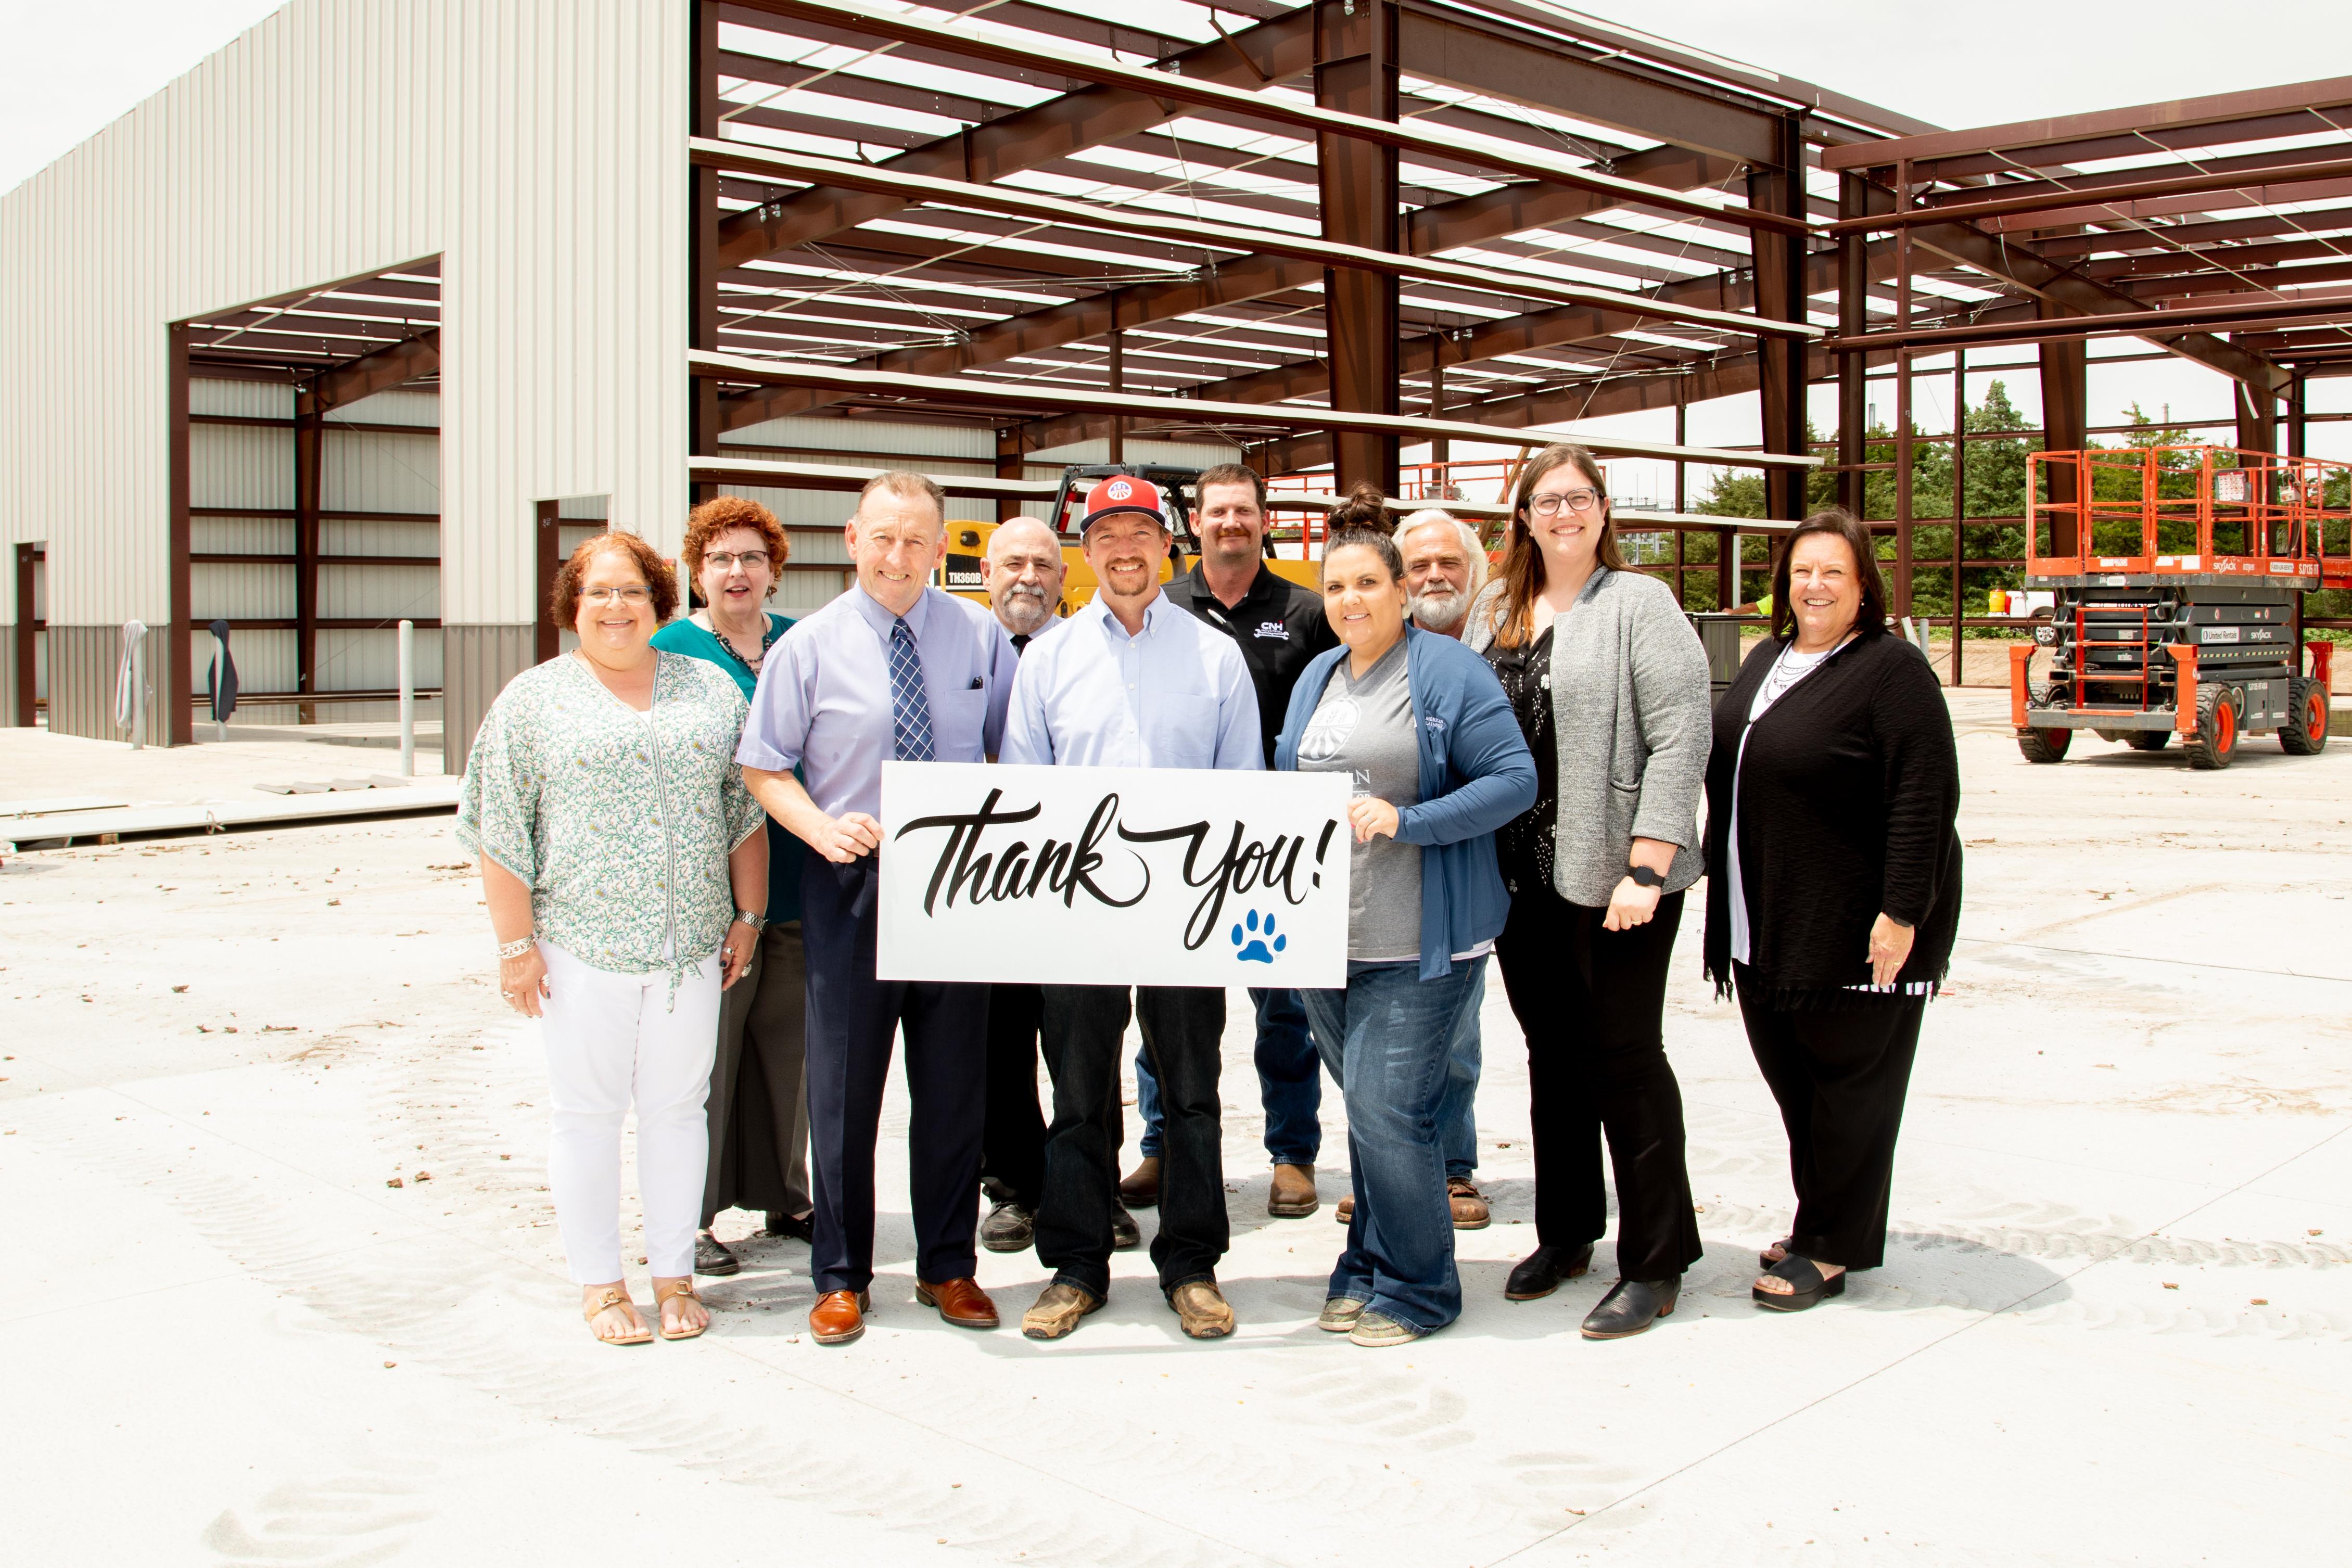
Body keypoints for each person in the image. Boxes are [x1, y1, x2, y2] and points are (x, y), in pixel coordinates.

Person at [459, 529, 767, 1345]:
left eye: (632, 589)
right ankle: (601, 1285)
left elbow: (745, 815)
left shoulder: (708, 690)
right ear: (573, 604)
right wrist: (514, 946)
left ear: (659, 600)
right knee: (586, 1115)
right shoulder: (533, 701)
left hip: (690, 951)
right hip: (579, 950)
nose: (617, 605)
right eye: (599, 590)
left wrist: (748, 916)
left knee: (677, 1111)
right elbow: (500, 833)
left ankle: (672, 1275)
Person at [738, 471, 1018, 1346]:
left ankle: (947, 1264)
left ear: (942, 548)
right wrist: (820, 828)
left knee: (951, 1087)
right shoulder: (808, 647)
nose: (900, 557)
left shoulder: (981, 635)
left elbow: (1016, 750)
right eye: (884, 537)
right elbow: (764, 766)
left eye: (918, 540)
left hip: (955, 883)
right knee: (846, 1086)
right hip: (851, 879)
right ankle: (841, 1274)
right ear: (853, 538)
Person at [1003, 475, 1262, 1341]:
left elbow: (1244, 794)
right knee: (1078, 1093)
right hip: (1079, 914)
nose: (1124, 549)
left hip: (1186, 916)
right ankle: (1076, 1265)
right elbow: (1022, 794)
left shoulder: (1215, 656)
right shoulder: (1048, 658)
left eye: (1140, 533)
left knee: (1191, 1092)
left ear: (1167, 547)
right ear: (1086, 551)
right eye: (1107, 533)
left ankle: (1191, 1264)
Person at [1466, 443, 1711, 1341]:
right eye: (1546, 500)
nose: (1564, 513)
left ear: (1605, 510)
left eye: (1580, 498)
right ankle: (1568, 1232)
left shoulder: (1640, 605)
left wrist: (1648, 863)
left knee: (1624, 1057)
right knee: (1551, 1059)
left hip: (1619, 877)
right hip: (1521, 874)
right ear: (1523, 515)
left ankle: (1657, 1258)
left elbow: (1682, 736)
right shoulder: (1495, 607)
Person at [1278, 525, 1534, 1347]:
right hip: (1326, 938)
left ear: (1398, 589)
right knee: (1368, 1114)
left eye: (1367, 584)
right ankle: (1367, 1261)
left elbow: (1514, 780)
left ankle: (1422, 1287)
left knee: (1391, 1110)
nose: (1351, 601)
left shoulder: (1447, 669)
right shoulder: (1319, 672)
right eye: (1337, 587)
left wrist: (1408, 819)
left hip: (1419, 937)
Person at [1701, 508, 1962, 1314]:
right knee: (1800, 1087)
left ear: (1862, 588)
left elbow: (1924, 799)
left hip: (1855, 928)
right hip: (1766, 921)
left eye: (1833, 573)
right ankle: (1828, 1220)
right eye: (1802, 570)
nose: (1813, 585)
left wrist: (1902, 912)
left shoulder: (1892, 672)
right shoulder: (1768, 656)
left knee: (1852, 1089)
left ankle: (1831, 1243)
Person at [1147, 461, 1338, 1221]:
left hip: (1275, 843)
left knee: (1283, 1007)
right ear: (1195, 523)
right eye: (1217, 511)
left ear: (1265, 521)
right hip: (1179, 840)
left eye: (1244, 512)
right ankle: (1160, 1145)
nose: (1230, 523)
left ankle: (1293, 1154)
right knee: (1166, 1007)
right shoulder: (1162, 606)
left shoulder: (1307, 612)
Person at [649, 496, 814, 1279]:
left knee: (792, 1054)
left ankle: (788, 1194)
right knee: (705, 1060)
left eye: (751, 557)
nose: (737, 571)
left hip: (802, 884)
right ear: (698, 572)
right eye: (720, 559)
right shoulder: (671, 651)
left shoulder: (800, 643)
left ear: (774, 570)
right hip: (715, 897)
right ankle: (698, 1214)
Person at [970, 519, 1144, 1256]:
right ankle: (1015, 1188)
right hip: (988, 881)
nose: (1028, 576)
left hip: (1081, 877)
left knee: (1086, 1045)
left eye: (1044, 563)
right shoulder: (958, 644)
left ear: (1063, 574)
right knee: (999, 1042)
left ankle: (1094, 1188)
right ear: (986, 571)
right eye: (1013, 562)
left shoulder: (1088, 650)